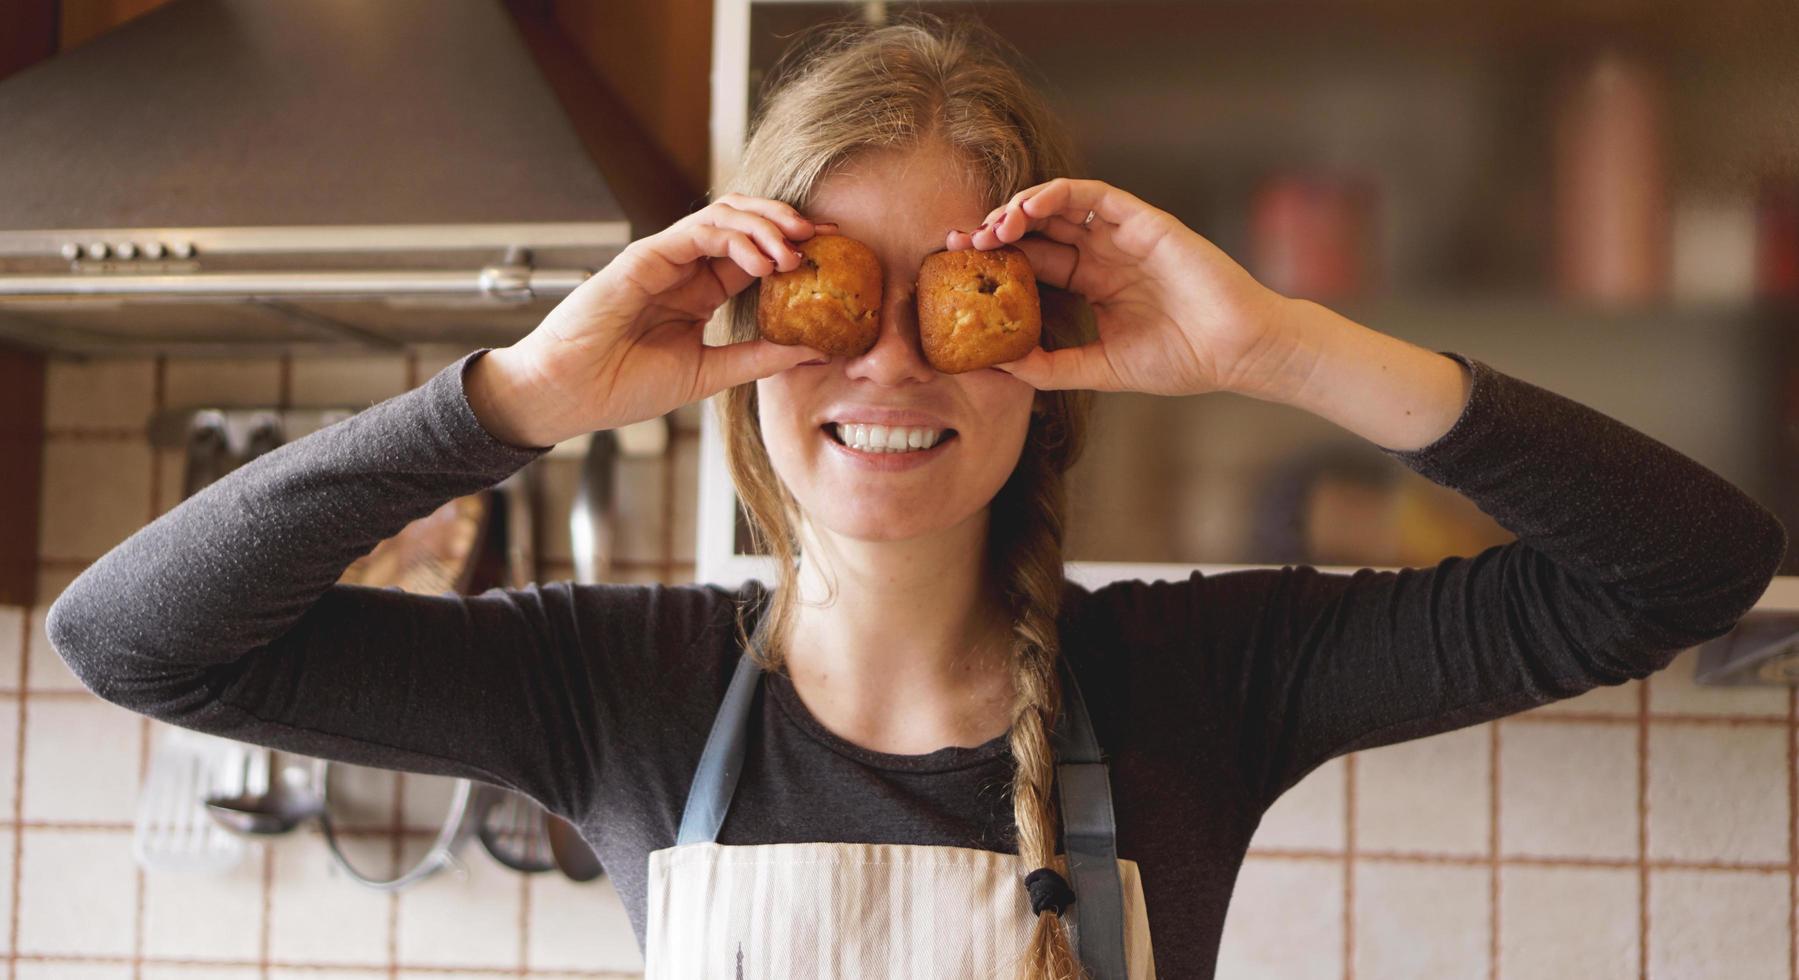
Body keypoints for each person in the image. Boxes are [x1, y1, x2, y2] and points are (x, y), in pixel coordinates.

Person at [45, 13, 1786, 980]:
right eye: (827, 290)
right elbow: (133, 643)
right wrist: (515, 397)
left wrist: (1282, 345)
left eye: (954, 300)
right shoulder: (605, 687)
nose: (887, 363)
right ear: (734, 326)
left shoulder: (1201, 685)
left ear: (1044, 338)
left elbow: (1689, 568)